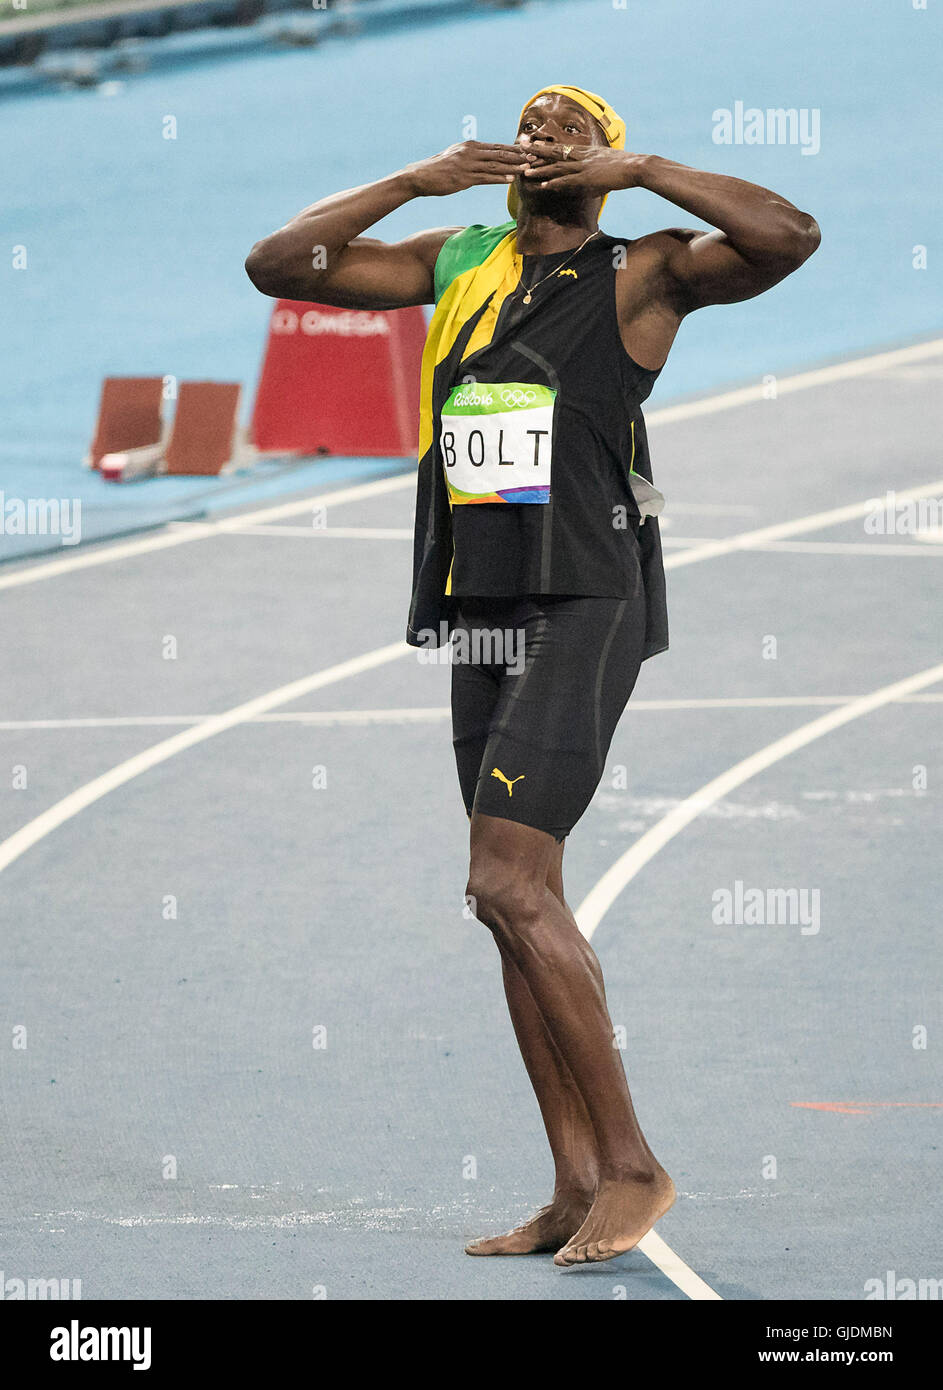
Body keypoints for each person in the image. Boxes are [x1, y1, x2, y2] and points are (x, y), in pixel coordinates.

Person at [245, 84, 820, 1265]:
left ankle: (636, 1166)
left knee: (508, 884)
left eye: (573, 125)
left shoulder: (644, 270)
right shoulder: (458, 256)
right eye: (529, 121)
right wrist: (415, 177)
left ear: (601, 156)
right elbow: (278, 267)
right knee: (507, 900)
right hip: (481, 602)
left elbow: (787, 236)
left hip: (583, 597)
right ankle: (570, 1180)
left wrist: (644, 166)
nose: (544, 133)